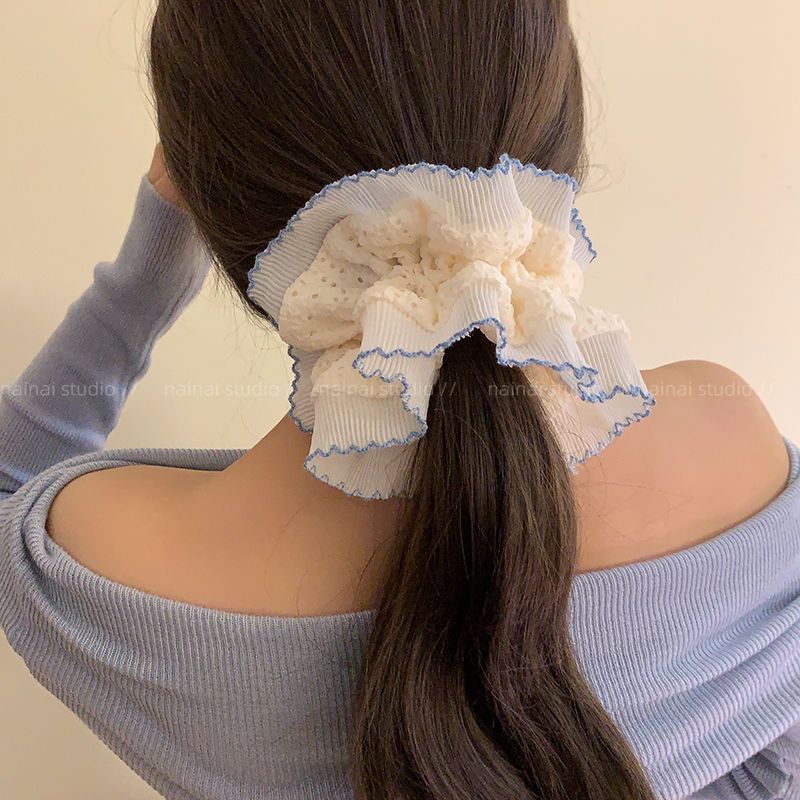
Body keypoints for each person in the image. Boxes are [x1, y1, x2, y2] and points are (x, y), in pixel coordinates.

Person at [1, 2, 797, 799]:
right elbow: (775, 761)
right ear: (559, 133)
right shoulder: (732, 440)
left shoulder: (115, 566)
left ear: (208, 195)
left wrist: (148, 268)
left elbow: (11, 483)